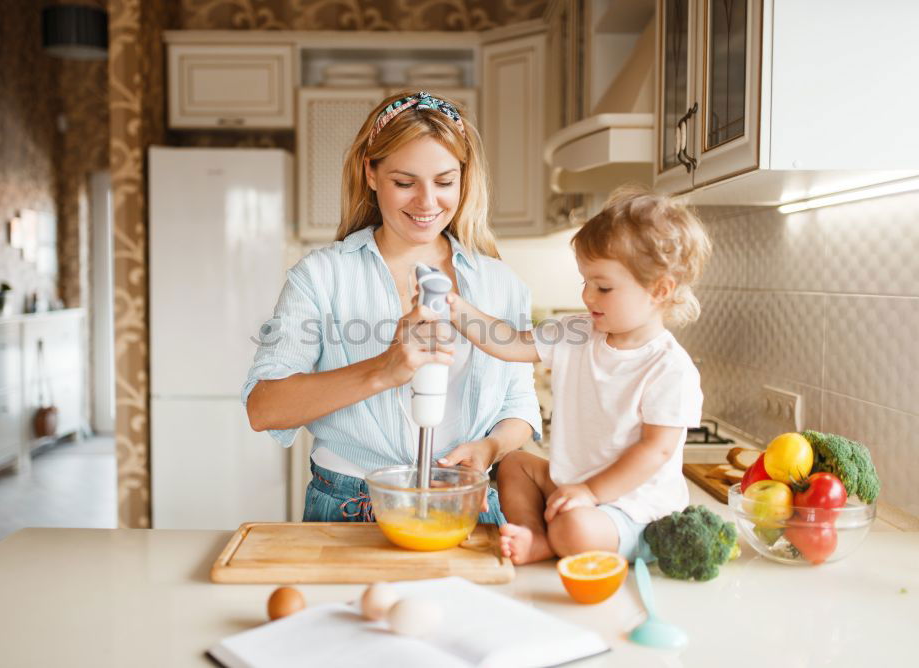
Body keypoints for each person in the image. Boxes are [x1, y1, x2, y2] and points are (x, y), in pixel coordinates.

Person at [242, 90, 542, 524]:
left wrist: (489, 449)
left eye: (444, 182)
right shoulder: (322, 277)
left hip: (465, 504)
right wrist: (384, 368)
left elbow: (519, 403)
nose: (426, 203)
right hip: (349, 507)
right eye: (405, 183)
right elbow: (263, 408)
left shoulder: (500, 283)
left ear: (464, 178)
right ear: (371, 173)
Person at [445, 186, 712, 564]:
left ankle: (552, 542)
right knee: (516, 464)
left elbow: (656, 451)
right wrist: (455, 308)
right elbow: (509, 342)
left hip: (634, 509)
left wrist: (591, 492)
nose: (588, 296)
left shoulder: (670, 368)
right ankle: (535, 536)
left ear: (659, 290)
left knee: (576, 528)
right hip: (576, 490)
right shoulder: (577, 332)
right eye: (585, 282)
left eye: (603, 287)